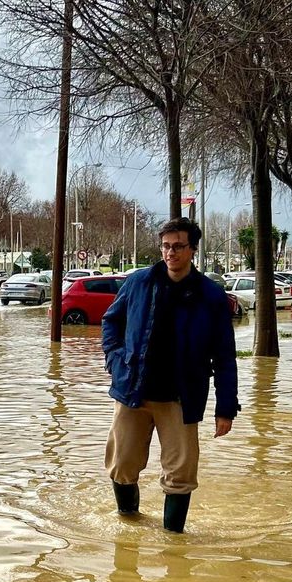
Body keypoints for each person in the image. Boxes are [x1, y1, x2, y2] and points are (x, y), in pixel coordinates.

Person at [100, 218, 240, 533]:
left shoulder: (211, 296)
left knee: (180, 474)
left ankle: (173, 544)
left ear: (192, 249)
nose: (170, 252)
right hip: (133, 390)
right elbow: (111, 322)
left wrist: (225, 407)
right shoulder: (139, 282)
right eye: (165, 245)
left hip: (181, 397)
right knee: (122, 465)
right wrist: (116, 359)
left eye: (178, 246)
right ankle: (129, 529)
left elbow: (224, 356)